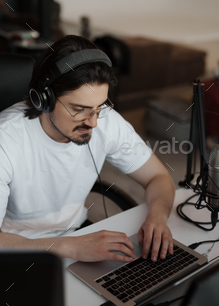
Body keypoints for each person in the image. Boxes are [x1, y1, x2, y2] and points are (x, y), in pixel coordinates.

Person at [0, 35, 175, 263]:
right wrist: (68, 247)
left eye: (99, 107)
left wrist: (157, 217)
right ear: (44, 99)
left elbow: (158, 176)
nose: (93, 122)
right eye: (79, 109)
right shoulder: (6, 139)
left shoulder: (106, 121)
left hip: (76, 236)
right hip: (19, 251)